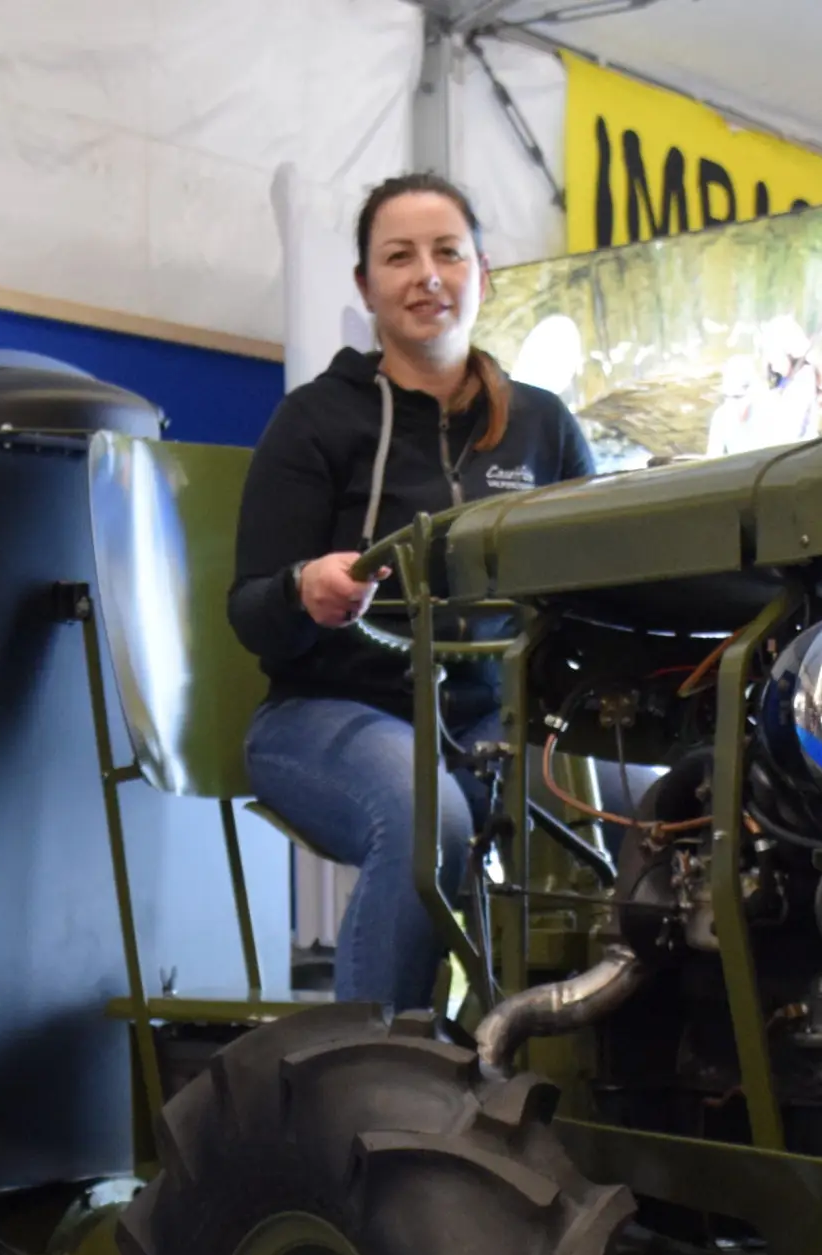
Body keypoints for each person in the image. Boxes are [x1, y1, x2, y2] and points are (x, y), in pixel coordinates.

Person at [230, 171, 594, 1011]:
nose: (426, 274)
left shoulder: (543, 426)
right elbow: (249, 611)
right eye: (398, 257)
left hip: (489, 720)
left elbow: (593, 594)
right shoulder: (315, 421)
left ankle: (567, 1065)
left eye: (447, 253)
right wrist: (300, 591)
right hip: (323, 716)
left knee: (639, 809)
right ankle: (376, 1083)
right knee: (433, 819)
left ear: (482, 272)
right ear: (366, 286)